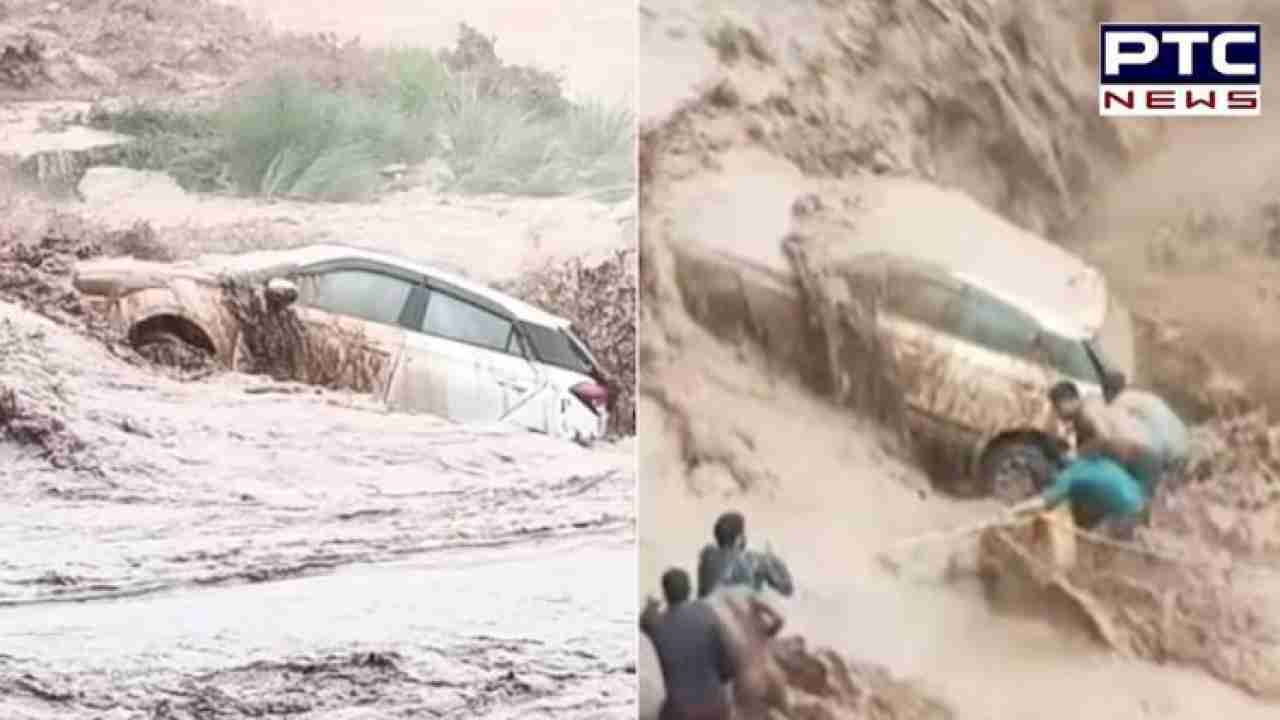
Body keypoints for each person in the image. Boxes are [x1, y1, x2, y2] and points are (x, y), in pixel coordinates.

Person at [640, 568, 736, 720]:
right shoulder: (707, 613)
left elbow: (644, 620)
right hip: (716, 708)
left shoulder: (657, 624)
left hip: (680, 712)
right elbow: (730, 666)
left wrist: (652, 604)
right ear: (690, 590)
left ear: (665, 594)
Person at [697, 511, 794, 599]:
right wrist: (774, 560)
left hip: (710, 613)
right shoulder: (753, 561)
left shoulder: (707, 556)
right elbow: (787, 589)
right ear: (738, 538)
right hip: (739, 614)